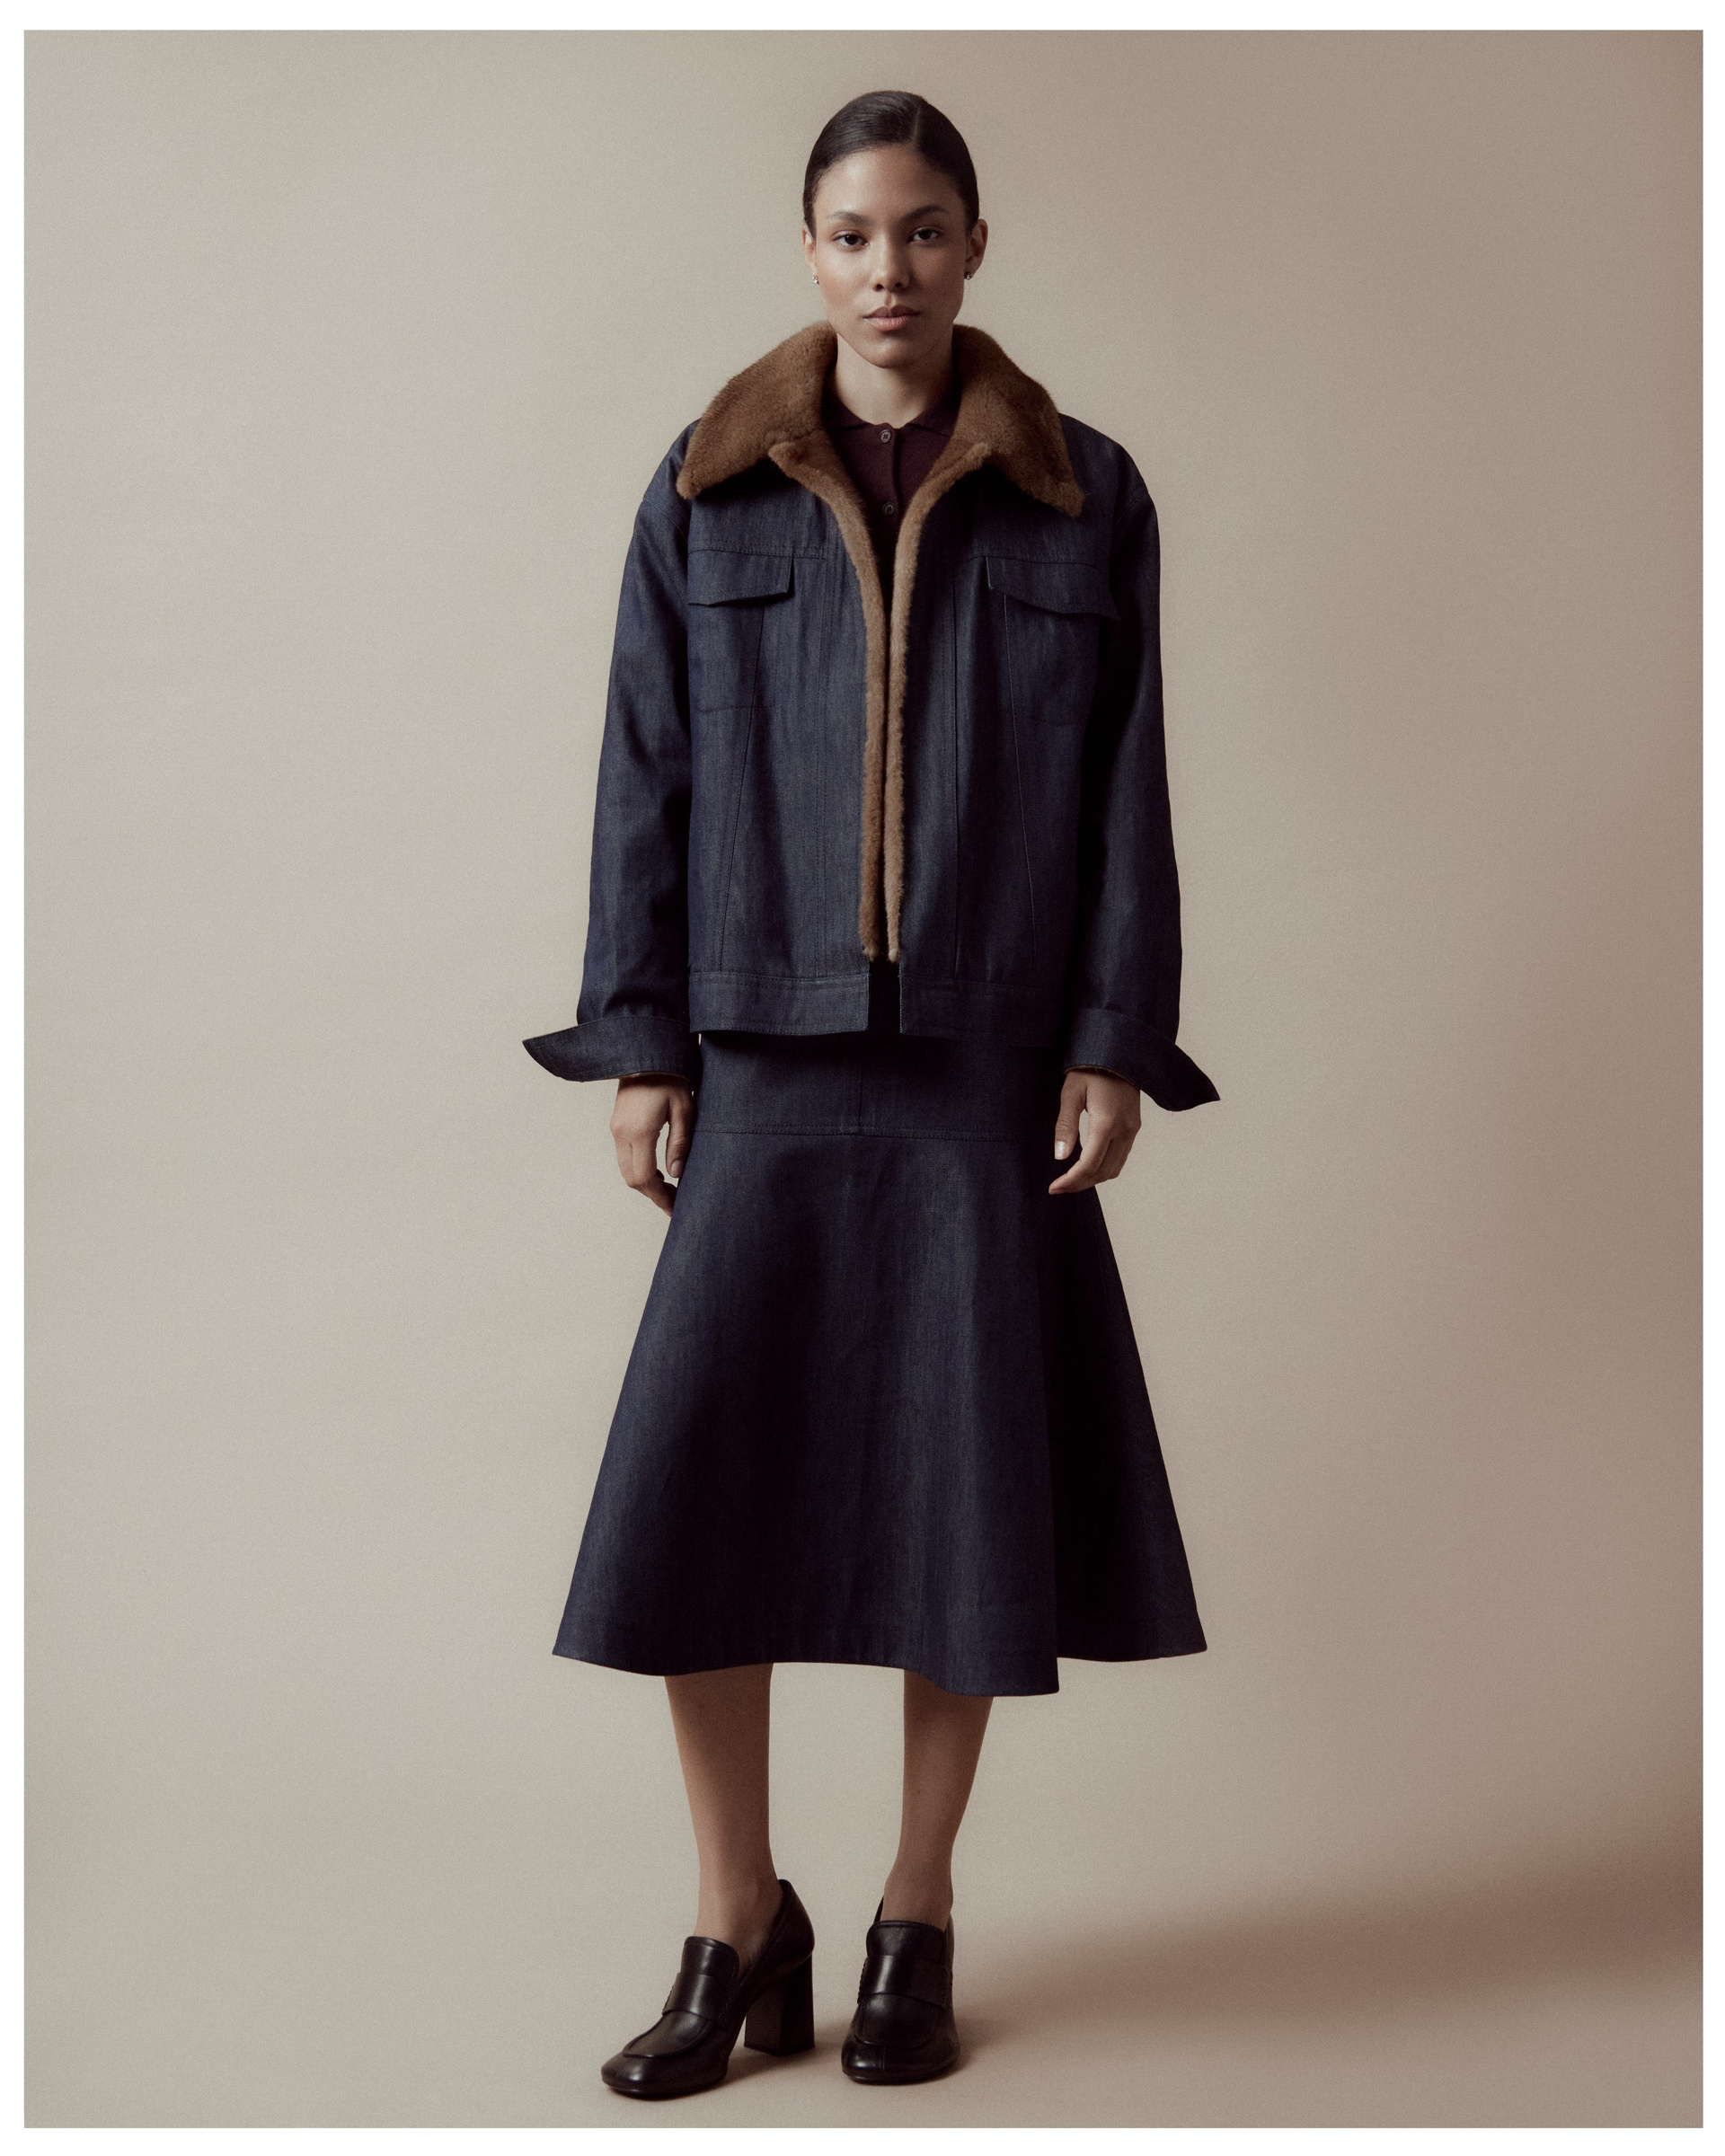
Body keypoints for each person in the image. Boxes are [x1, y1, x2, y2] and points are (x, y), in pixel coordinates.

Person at [523, 88, 1220, 2100]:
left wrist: (1111, 1033)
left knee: (962, 1502)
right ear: (809, 252)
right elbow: (642, 771)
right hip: (761, 1044)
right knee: (699, 1502)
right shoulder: (704, 486)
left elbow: (1127, 783)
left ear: (975, 243)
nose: (888, 268)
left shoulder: (1086, 491)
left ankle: (917, 1909)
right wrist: (643, 1038)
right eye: (851, 232)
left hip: (983, 1063)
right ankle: (737, 1916)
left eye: (922, 229)